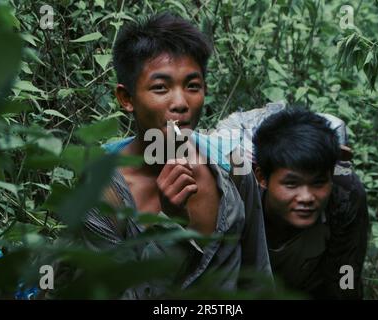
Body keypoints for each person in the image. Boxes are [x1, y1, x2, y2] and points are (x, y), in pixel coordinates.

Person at [82, 12, 273, 299]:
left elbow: (257, 279)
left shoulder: (232, 167)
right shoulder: (101, 191)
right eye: (160, 87)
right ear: (126, 98)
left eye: (192, 86)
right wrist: (171, 226)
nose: (181, 103)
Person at [250, 107, 369, 299]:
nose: (306, 197)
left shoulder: (346, 193)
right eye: (291, 184)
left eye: (318, 182)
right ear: (262, 177)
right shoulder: (240, 195)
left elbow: (345, 273)